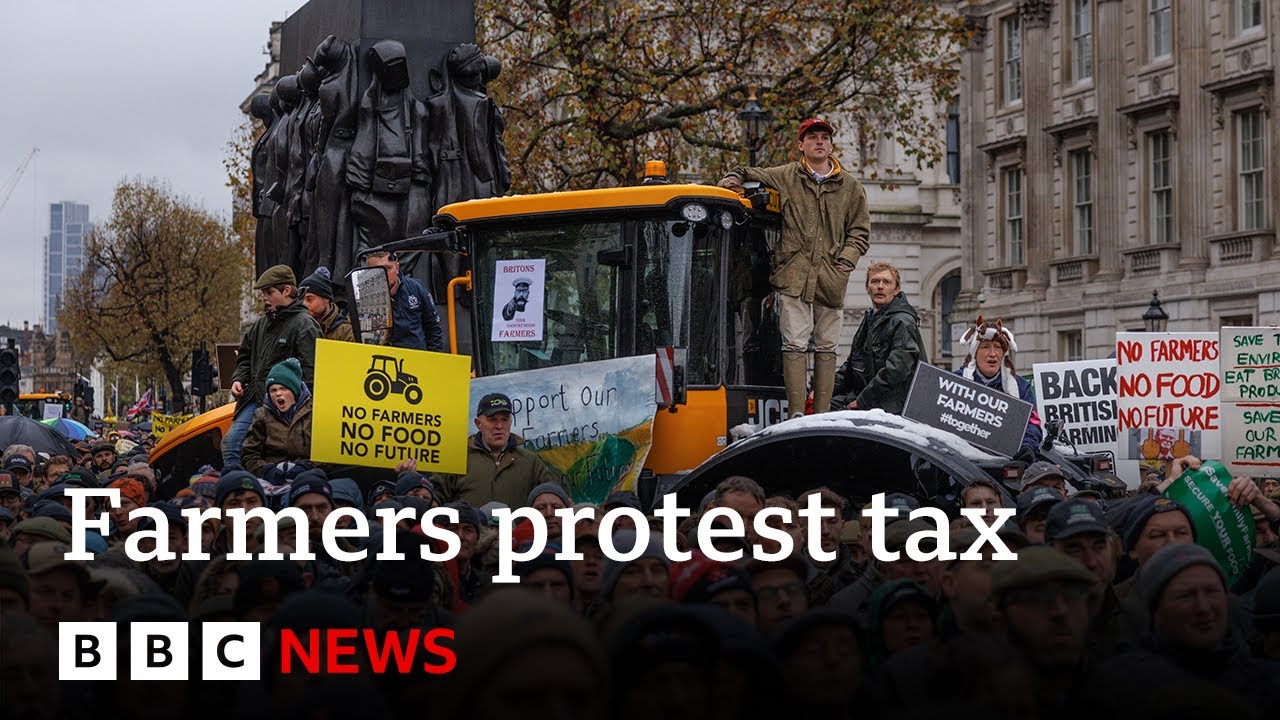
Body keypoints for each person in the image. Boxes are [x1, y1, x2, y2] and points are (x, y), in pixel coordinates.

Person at [719, 117, 871, 419]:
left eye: (824, 137)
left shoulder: (851, 187)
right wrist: (732, 178)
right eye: (813, 137)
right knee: (794, 343)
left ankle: (823, 415)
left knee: (827, 345)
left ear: (831, 145)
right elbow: (747, 171)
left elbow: (860, 231)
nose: (819, 141)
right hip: (793, 276)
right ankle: (797, 414)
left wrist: (845, 261)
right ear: (801, 145)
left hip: (830, 277)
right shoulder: (786, 175)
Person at [224, 265, 320, 469]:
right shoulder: (260, 325)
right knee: (232, 445)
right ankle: (243, 485)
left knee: (240, 448)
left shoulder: (305, 325)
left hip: (285, 408)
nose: (264, 298)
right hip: (255, 400)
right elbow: (244, 357)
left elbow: (312, 374)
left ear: (287, 290)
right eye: (263, 293)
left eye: (269, 292)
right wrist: (238, 379)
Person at [434, 393, 561, 507]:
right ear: (478, 424)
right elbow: (435, 497)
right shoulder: (457, 458)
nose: (499, 426)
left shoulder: (531, 461)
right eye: (492, 420)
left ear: (510, 422)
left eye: (504, 419)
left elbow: (553, 498)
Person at [832, 262, 925, 413]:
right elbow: (851, 366)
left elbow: (896, 370)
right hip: (869, 398)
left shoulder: (902, 321)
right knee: (821, 407)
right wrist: (825, 390)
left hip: (893, 405)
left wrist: (862, 400)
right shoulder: (870, 319)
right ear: (867, 287)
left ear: (897, 289)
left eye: (887, 282)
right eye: (875, 281)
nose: (880, 286)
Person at [955, 316, 1042, 460]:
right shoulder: (954, 382)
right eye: (985, 347)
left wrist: (1027, 446)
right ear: (975, 352)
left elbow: (1033, 423)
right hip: (963, 463)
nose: (993, 354)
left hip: (1007, 462)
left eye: (998, 347)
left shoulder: (1020, 387)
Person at [240, 358, 314, 478]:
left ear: (294, 390)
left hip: (308, 476)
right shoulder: (261, 415)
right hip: (274, 479)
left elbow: (328, 454)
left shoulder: (314, 413)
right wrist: (266, 470)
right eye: (273, 390)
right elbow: (249, 454)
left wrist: (308, 466)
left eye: (283, 388)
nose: (278, 393)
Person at [364, 251, 445, 352]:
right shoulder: (362, 298)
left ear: (397, 267)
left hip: (416, 357)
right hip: (381, 358)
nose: (383, 275)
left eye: (388, 268)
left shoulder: (416, 288)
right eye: (376, 271)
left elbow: (433, 328)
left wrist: (433, 357)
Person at [298, 266, 355, 342]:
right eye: (302, 301)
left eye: (309, 299)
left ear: (326, 299)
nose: (304, 305)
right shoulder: (301, 328)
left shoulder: (345, 332)